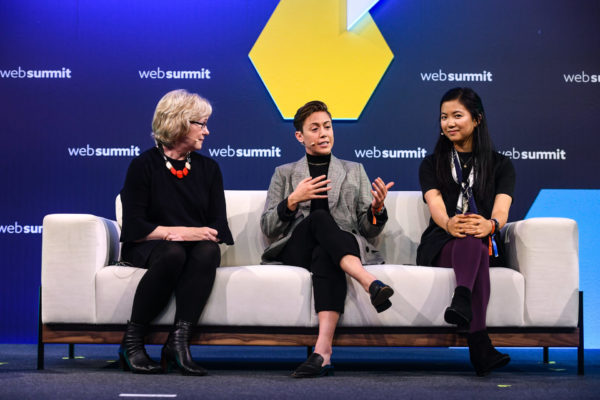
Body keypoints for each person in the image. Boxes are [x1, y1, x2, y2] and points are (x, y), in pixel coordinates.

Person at [260, 100, 395, 378]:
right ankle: (368, 281)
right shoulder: (284, 173)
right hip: (297, 249)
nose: (324, 133)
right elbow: (269, 227)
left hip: (336, 249)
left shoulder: (354, 170)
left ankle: (322, 352)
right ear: (300, 136)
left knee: (326, 254)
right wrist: (293, 200)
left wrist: (376, 210)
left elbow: (366, 230)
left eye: (328, 127)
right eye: (315, 129)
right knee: (320, 220)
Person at [118, 89, 233, 375]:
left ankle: (178, 342)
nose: (207, 131)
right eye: (201, 124)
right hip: (150, 245)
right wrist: (178, 232)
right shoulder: (143, 165)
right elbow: (134, 225)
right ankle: (132, 342)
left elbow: (218, 226)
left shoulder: (209, 168)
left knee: (208, 251)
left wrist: (193, 236)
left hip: (192, 248)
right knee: (172, 252)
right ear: (179, 122)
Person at [416, 87, 515, 376]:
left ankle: (462, 301)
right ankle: (479, 343)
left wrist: (491, 225)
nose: (449, 123)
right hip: (441, 243)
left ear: (477, 119)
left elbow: (501, 209)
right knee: (471, 236)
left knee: (477, 235)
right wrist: (448, 223)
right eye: (444, 117)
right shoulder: (431, 163)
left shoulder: (501, 165)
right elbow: (435, 203)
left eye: (457, 116)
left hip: (483, 241)